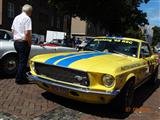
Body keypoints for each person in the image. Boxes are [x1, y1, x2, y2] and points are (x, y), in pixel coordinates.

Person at [11, 4, 32, 84]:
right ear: (29, 11)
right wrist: (29, 43)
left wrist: (16, 37)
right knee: (23, 62)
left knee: (21, 61)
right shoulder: (27, 18)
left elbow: (12, 30)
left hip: (16, 42)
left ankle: (23, 77)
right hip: (23, 42)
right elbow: (27, 33)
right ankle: (19, 79)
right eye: (31, 12)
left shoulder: (16, 17)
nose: (31, 13)